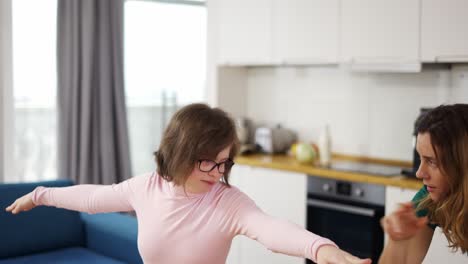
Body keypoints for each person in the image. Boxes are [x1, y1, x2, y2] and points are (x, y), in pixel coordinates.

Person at [6, 103, 370, 264]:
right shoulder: (146, 188)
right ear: (181, 151)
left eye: (225, 162)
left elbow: (271, 229)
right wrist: (40, 196)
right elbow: (94, 198)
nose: (217, 172)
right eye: (208, 161)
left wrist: (324, 251)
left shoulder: (228, 202)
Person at [379, 104, 468, 263]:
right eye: (421, 158)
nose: (420, 173)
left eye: (432, 161)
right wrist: (398, 240)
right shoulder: (431, 196)